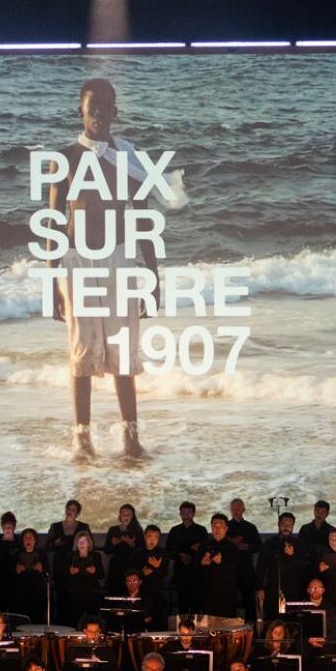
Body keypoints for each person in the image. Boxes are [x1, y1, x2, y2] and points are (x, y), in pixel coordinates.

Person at [47, 77, 159, 461]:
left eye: (105, 107)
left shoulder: (128, 158)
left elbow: (144, 220)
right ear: (80, 112)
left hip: (120, 260)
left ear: (115, 111)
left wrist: (153, 277)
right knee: (82, 355)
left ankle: (131, 438)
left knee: (123, 356)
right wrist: (51, 283)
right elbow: (52, 223)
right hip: (77, 263)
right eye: (91, 108)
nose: (98, 114)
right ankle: (83, 439)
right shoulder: (65, 159)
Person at [257, 512, 305, 617]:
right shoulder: (269, 543)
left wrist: (292, 555)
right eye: (284, 524)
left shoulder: (299, 544)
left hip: (292, 591)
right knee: (272, 621)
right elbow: (261, 567)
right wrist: (260, 588)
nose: (286, 527)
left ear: (293, 526)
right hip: (272, 590)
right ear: (279, 524)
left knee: (291, 622)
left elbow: (303, 567)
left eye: (290, 525)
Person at [167, 501, 208, 616]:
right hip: (180, 571)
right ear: (180, 514)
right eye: (183, 512)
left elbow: (206, 550)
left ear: (193, 514)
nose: (186, 514)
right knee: (182, 603)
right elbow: (168, 550)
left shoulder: (201, 530)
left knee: (196, 603)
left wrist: (195, 553)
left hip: (196, 571)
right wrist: (180, 556)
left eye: (189, 512)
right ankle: (183, 630)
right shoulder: (174, 530)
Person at [227, 498, 262, 624]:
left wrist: (246, 546)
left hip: (246, 569)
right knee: (229, 602)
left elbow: (259, 546)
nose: (236, 510)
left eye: (238, 508)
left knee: (249, 602)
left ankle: (250, 631)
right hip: (230, 570)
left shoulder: (250, 527)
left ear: (243, 510)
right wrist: (233, 544)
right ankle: (229, 631)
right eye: (234, 508)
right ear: (230, 510)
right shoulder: (226, 526)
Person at [199, 512, 239, 621]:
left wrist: (222, 562)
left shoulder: (233, 547)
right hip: (207, 593)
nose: (217, 528)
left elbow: (237, 570)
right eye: (214, 526)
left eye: (220, 526)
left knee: (225, 627)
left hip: (226, 594)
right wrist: (202, 563)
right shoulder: (204, 546)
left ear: (226, 528)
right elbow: (195, 571)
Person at [64, 530, 104, 627]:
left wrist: (95, 571)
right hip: (76, 593)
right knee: (75, 619)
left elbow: (102, 574)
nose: (82, 543)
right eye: (79, 541)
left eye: (84, 541)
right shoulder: (71, 556)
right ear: (76, 543)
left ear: (89, 543)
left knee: (92, 620)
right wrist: (70, 572)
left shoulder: (95, 556)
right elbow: (64, 575)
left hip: (92, 592)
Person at [103, 504, 142, 596]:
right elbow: (106, 550)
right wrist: (114, 543)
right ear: (120, 516)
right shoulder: (113, 530)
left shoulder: (138, 530)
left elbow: (141, 551)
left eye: (129, 515)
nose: (126, 517)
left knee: (129, 593)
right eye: (124, 514)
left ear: (132, 517)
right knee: (114, 593)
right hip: (116, 567)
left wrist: (131, 544)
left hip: (131, 567)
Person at [12, 528, 48, 626]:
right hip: (21, 593)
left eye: (31, 538)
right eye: (26, 538)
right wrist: (16, 569)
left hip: (37, 591)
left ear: (35, 540)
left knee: (37, 619)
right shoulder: (16, 554)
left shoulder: (41, 554)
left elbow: (48, 573)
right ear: (22, 541)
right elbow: (10, 575)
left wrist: (42, 569)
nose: (28, 540)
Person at [138, 524, 169, 629]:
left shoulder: (163, 553)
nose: (152, 540)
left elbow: (165, 573)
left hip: (157, 593)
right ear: (144, 536)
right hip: (141, 593)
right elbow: (130, 573)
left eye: (156, 537)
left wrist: (157, 567)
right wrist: (141, 573)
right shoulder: (137, 553)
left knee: (157, 624)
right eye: (150, 536)